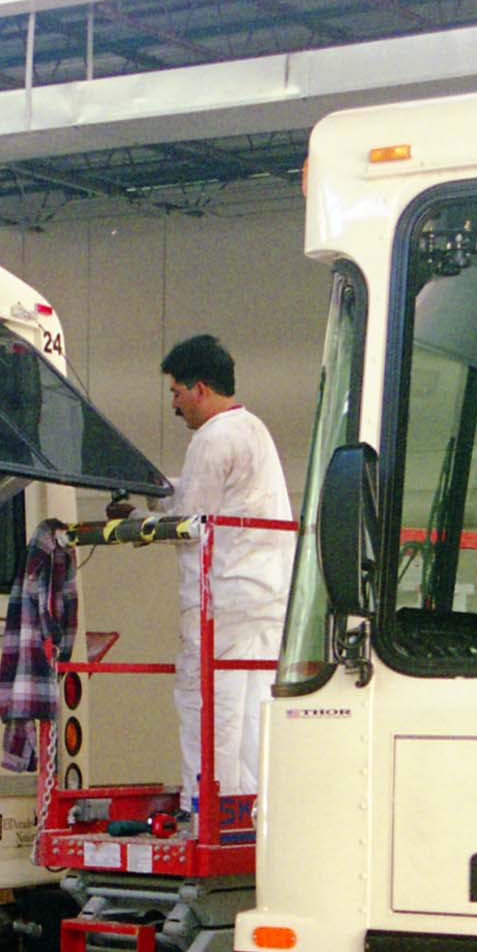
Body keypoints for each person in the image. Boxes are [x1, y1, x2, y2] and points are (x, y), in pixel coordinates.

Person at [162, 333, 293, 810]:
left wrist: (138, 526)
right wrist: (161, 491)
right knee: (254, 711)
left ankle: (206, 812)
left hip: (222, 600)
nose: (175, 406)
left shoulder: (212, 438)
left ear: (199, 388)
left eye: (177, 393)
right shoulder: (253, 430)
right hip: (266, 599)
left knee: (207, 706)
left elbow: (190, 522)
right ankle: (251, 815)